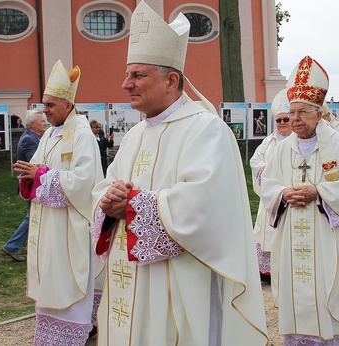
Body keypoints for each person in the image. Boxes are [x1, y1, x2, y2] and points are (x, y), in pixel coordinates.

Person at [90, 2, 267, 345]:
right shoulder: (136, 134)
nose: (125, 84)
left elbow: (206, 208)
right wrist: (107, 198)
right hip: (129, 275)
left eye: (137, 75)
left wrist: (133, 205)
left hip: (179, 281)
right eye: (128, 74)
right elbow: (106, 183)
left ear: (172, 80)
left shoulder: (207, 130)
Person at [261, 55, 339, 346]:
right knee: (295, 283)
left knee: (330, 281)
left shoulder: (338, 143)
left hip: (327, 231)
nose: (295, 119)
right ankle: (299, 335)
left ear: (318, 114)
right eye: (292, 112)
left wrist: (319, 192)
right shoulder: (283, 148)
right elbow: (268, 184)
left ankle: (336, 334)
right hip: (292, 229)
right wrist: (283, 194)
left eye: (302, 113)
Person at [13, 60, 103, 346]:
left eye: (50, 105)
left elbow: (84, 182)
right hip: (49, 227)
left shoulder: (82, 135)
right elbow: (38, 167)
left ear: (68, 104)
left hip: (70, 228)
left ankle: (75, 333)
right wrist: (30, 176)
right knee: (50, 282)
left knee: (68, 285)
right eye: (44, 105)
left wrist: (39, 175)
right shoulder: (49, 135)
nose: (45, 111)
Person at [250, 89, 293, 281]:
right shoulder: (268, 142)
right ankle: (266, 271)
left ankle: (286, 267)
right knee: (266, 233)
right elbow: (255, 161)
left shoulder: (298, 140)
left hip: (289, 195)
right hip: (270, 197)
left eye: (286, 119)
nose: (282, 123)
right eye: (279, 120)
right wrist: (267, 170)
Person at [2, 110, 46, 262]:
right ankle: (12, 246)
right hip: (32, 184)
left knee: (33, 216)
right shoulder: (29, 139)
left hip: (33, 184)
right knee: (32, 217)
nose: (44, 124)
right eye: (41, 122)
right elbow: (34, 162)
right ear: (33, 124)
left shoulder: (32, 137)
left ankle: (18, 245)